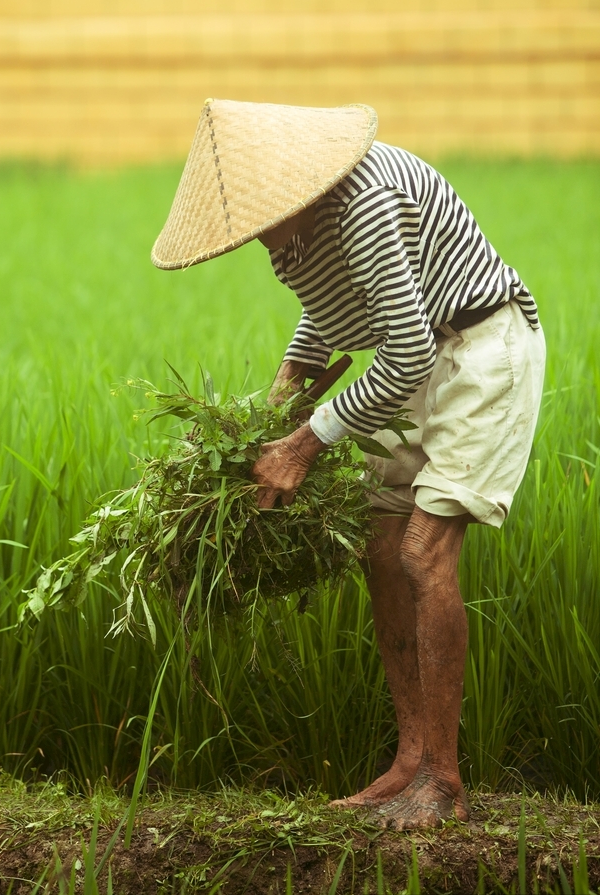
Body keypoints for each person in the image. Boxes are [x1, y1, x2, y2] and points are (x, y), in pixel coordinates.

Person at [152, 99, 546, 830]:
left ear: (290, 189)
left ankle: (443, 781)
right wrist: (269, 417)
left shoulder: (364, 201)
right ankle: (409, 758)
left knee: (422, 553)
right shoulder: (300, 229)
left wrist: (303, 445)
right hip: (422, 358)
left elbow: (404, 354)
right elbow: (328, 311)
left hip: (480, 352)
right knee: (377, 543)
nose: (259, 239)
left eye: (262, 220)